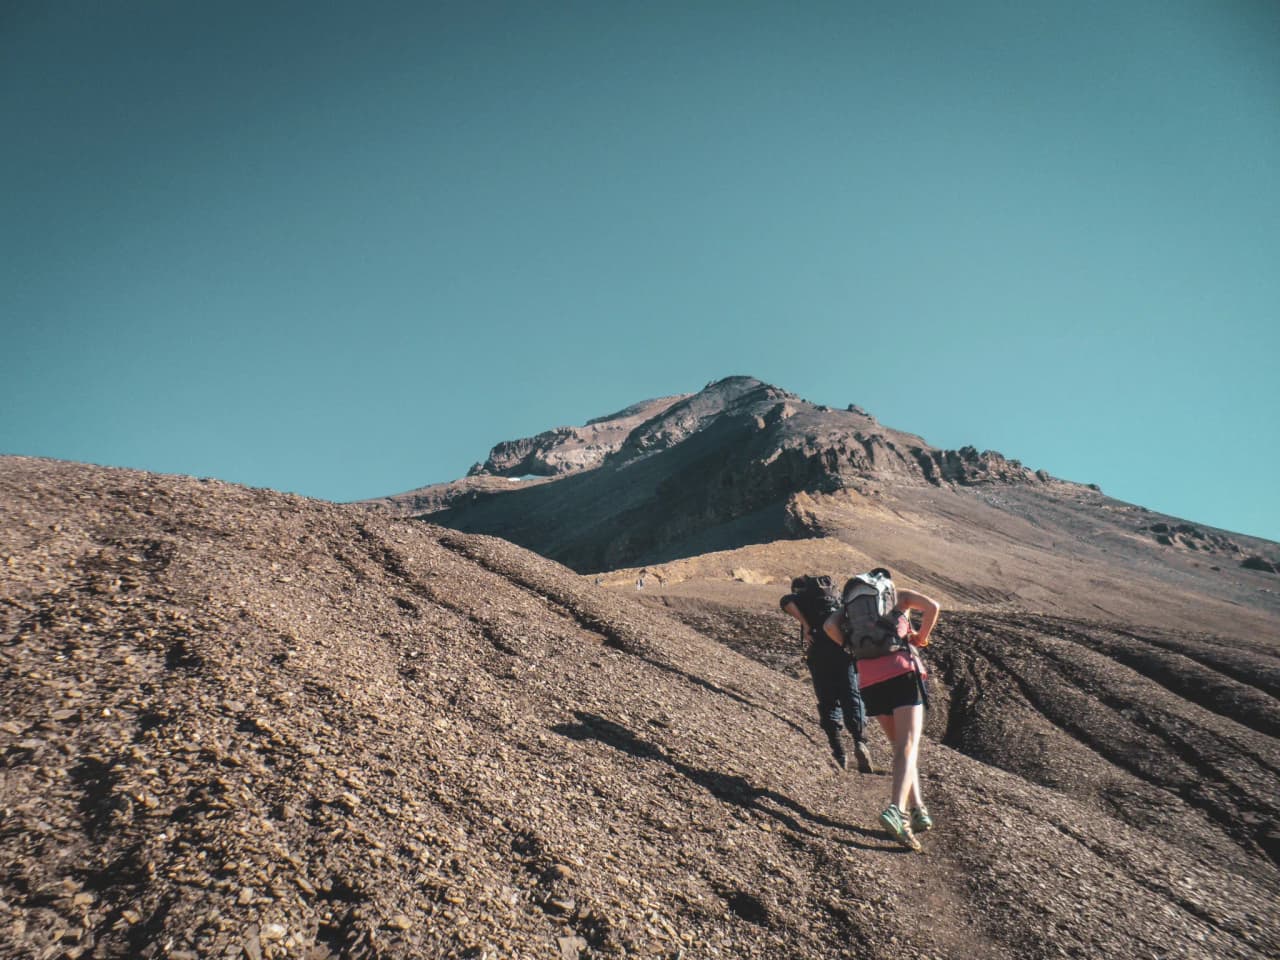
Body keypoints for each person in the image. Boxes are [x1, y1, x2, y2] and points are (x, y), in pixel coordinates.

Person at [825, 576, 940, 851]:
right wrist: (920, 638)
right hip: (902, 671)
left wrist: (848, 647)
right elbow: (933, 606)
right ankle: (897, 811)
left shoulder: (851, 606)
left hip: (869, 678)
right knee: (908, 746)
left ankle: (918, 808)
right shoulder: (899, 596)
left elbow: (829, 625)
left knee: (899, 746)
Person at [780, 577, 875, 773]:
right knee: (852, 695)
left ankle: (839, 752)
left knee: (828, 700)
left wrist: (805, 625)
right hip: (844, 653)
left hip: (819, 655)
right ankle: (860, 741)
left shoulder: (801, 599)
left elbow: (785, 601)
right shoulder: (837, 599)